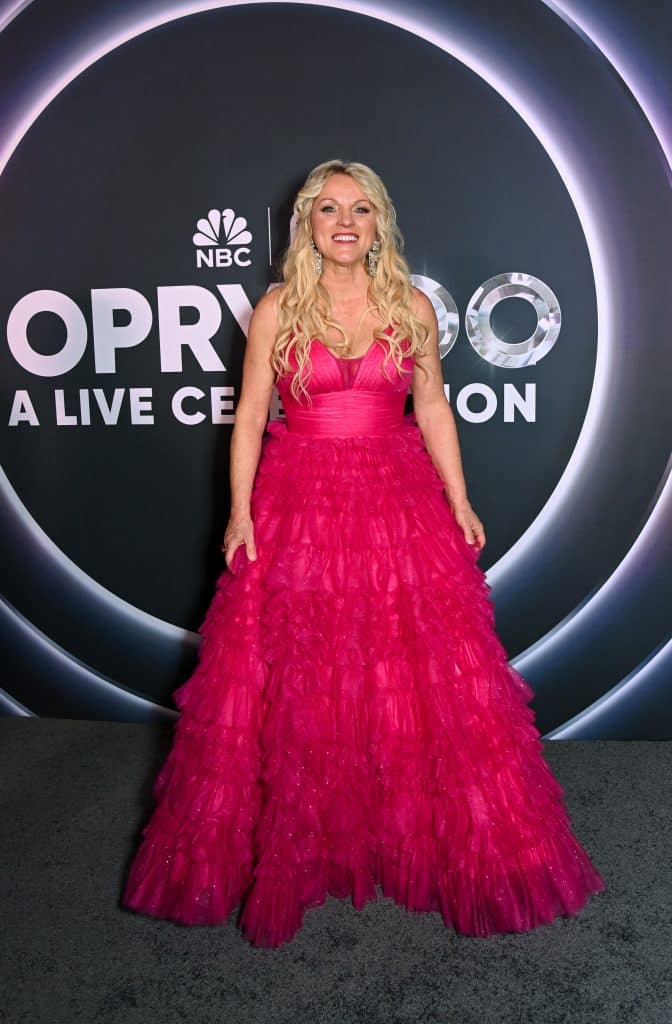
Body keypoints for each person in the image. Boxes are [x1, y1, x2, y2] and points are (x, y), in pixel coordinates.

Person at [121, 159, 605, 947]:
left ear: (379, 223)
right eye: (327, 209)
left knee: (405, 672)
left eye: (360, 209)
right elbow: (247, 415)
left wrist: (458, 497)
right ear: (306, 223)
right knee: (301, 675)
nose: (344, 221)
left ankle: (401, 835)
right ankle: (310, 848)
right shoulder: (277, 308)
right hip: (298, 502)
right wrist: (239, 512)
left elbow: (433, 407)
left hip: (395, 500)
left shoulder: (408, 305)